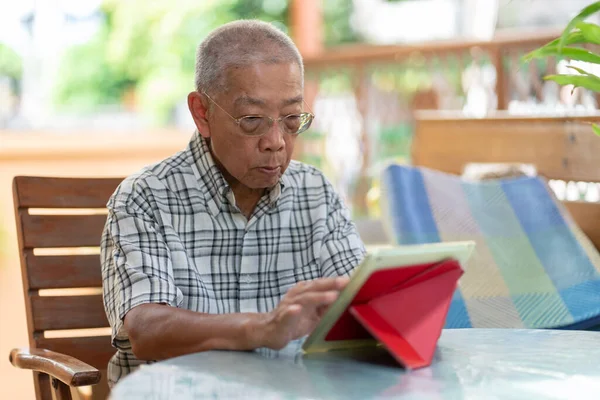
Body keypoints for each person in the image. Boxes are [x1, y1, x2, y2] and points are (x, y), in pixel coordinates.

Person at [101, 19, 366, 387]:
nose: (276, 141)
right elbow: (146, 329)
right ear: (202, 113)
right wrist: (263, 328)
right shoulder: (146, 197)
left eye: (291, 119)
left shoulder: (314, 191)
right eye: (253, 120)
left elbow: (362, 304)